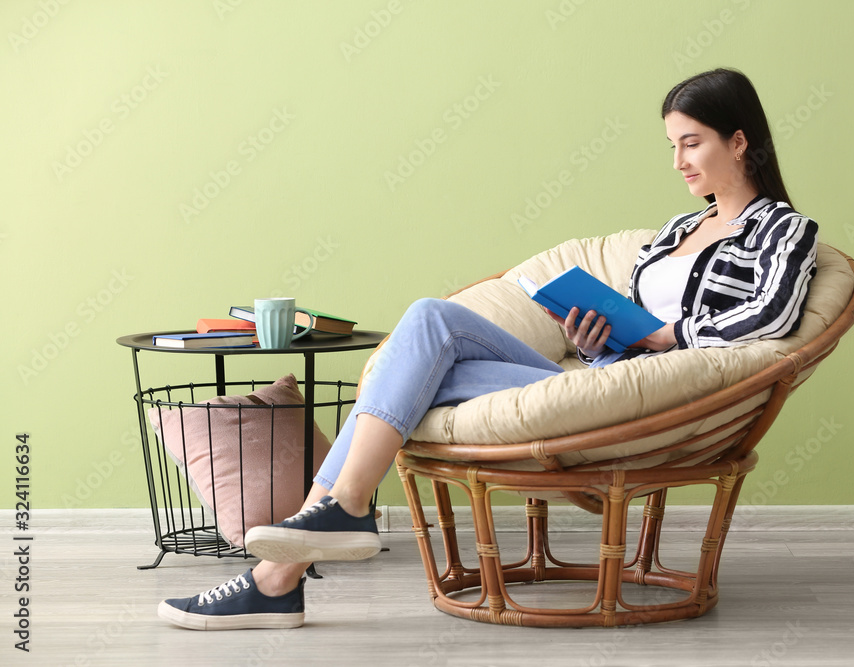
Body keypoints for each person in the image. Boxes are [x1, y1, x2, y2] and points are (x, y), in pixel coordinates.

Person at [158, 67, 818, 630]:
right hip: (603, 378)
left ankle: (303, 548)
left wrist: (661, 336)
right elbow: (634, 329)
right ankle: (308, 545)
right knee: (420, 339)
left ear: (739, 142)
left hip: (658, 398)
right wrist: (598, 340)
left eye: (691, 143)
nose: (678, 161)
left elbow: (772, 316)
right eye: (672, 145)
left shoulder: (784, 230)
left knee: (423, 346)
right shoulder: (680, 227)